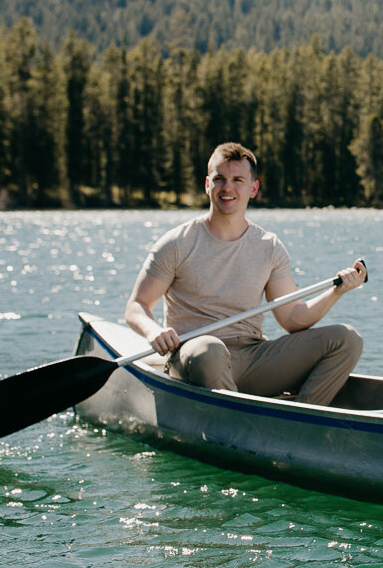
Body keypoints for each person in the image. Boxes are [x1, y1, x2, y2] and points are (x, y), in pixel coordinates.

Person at [125, 142, 367, 405]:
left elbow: (293, 319)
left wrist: (337, 291)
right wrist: (153, 332)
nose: (227, 187)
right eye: (219, 179)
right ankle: (238, 421)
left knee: (347, 339)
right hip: (194, 355)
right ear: (207, 184)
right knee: (211, 350)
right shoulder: (177, 243)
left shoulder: (269, 246)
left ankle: (302, 420)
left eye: (238, 180)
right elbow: (137, 306)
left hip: (252, 357)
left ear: (253, 188)